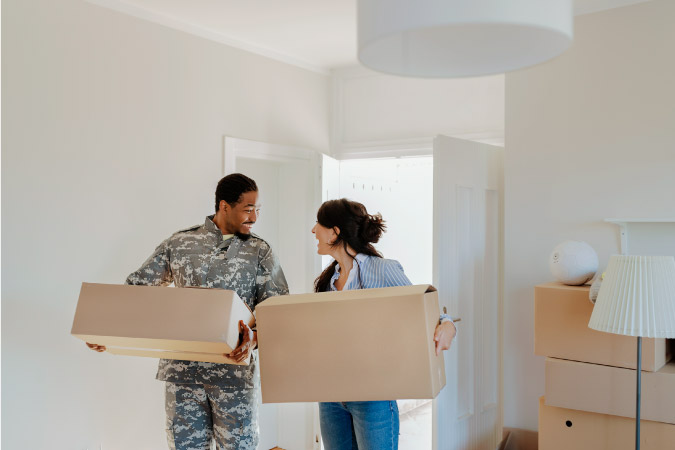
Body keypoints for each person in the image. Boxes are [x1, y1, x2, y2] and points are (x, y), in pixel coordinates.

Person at [86, 173, 289, 450]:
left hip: (233, 377)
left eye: (257, 210)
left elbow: (276, 311)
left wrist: (253, 339)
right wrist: (104, 331)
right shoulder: (179, 243)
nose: (254, 217)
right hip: (182, 376)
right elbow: (136, 289)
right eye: (248, 209)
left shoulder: (260, 251)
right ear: (224, 206)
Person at [311, 198, 456, 450]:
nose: (313, 230)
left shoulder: (382, 270)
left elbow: (425, 307)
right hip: (330, 396)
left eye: (318, 224)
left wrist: (447, 324)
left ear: (335, 232)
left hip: (373, 397)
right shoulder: (327, 281)